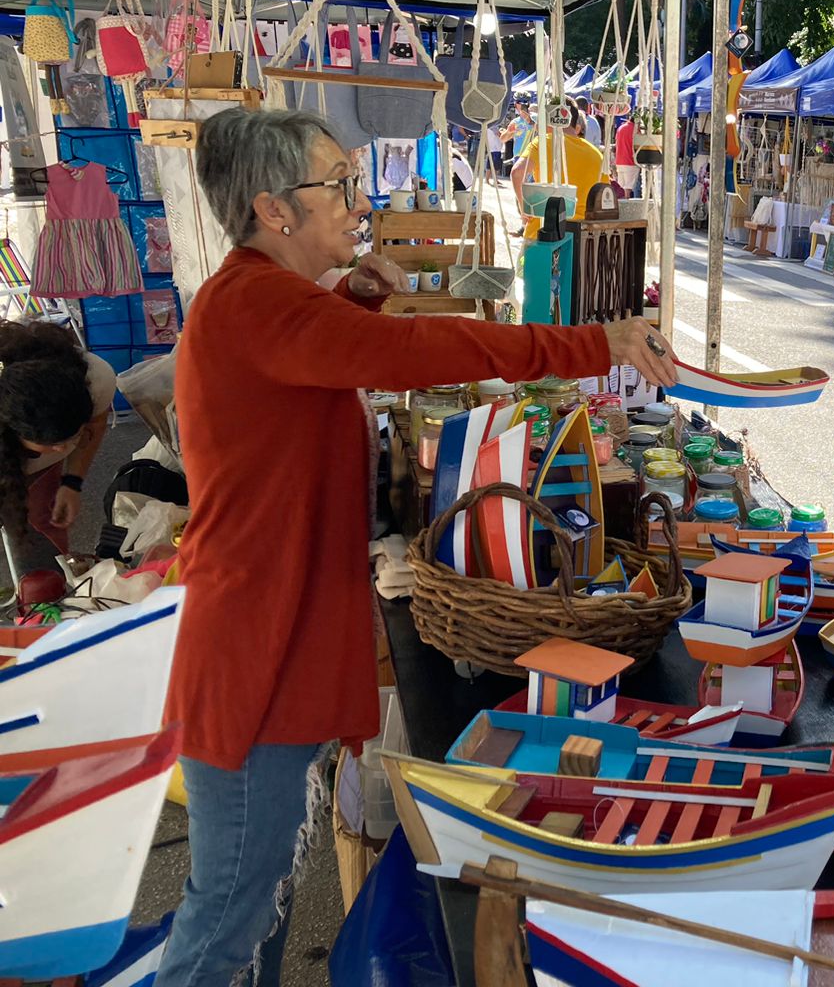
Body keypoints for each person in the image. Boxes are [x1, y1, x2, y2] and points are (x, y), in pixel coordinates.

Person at [156, 109, 676, 987]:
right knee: (230, 911)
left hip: (269, 629)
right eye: (339, 186)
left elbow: (312, 371)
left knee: (264, 890)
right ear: (274, 210)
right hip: (253, 650)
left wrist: (352, 299)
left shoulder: (266, 300)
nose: (358, 202)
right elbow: (412, 348)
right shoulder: (253, 301)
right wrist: (592, 342)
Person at [0, 322, 115, 575]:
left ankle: (46, 598)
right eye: (52, 445)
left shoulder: (95, 378)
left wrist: (72, 483)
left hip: (26, 461)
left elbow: (95, 424)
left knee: (43, 528)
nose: (65, 448)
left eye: (74, 435)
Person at [614, 115, 640, 195]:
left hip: (619, 161)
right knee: (627, 190)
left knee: (620, 189)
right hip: (630, 162)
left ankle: (620, 206)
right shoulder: (635, 131)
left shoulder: (620, 128)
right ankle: (625, 207)